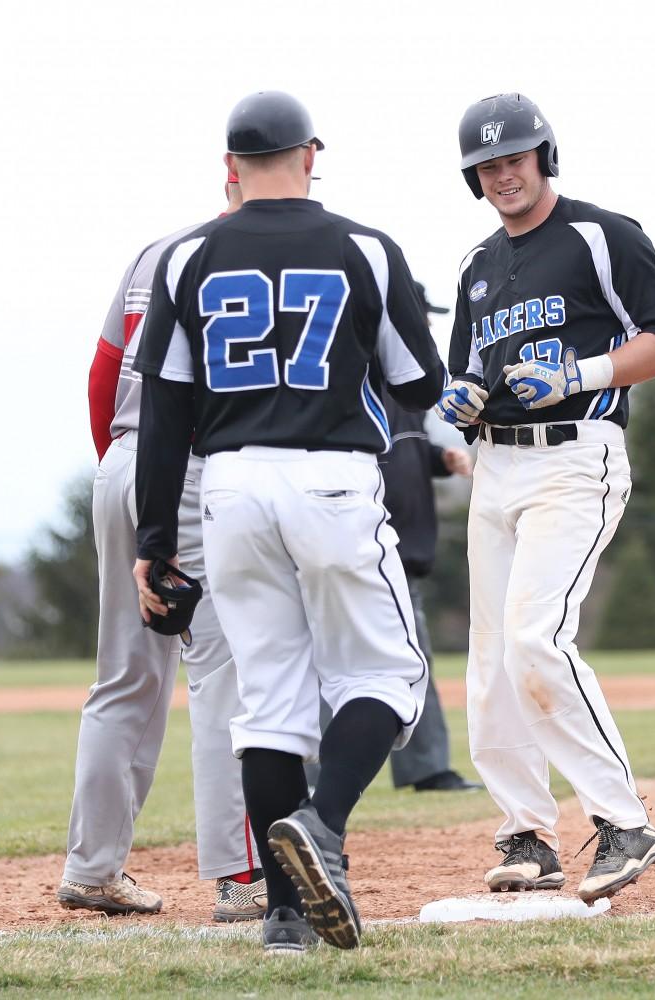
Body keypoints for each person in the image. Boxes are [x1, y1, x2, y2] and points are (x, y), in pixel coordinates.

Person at [131, 91, 445, 953]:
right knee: (390, 675)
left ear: (229, 166)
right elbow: (420, 383)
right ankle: (322, 822)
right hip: (332, 479)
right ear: (312, 153)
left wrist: (154, 542)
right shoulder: (366, 249)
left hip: (228, 485)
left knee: (267, 703)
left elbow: (162, 410)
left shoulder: (189, 253)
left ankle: (282, 916)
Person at [437, 92, 655, 902]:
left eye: (514, 156)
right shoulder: (475, 267)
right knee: (489, 662)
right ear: (472, 178)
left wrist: (580, 374)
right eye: (486, 164)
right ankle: (526, 835)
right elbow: (467, 373)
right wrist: (461, 402)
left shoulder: (599, 234)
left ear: (543, 155)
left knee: (534, 637)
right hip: (496, 468)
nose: (502, 173)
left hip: (574, 457)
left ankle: (623, 823)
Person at [58, 168, 266, 923]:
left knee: (124, 678)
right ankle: (242, 878)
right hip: (190, 468)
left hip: (122, 459)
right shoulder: (256, 256)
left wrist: (122, 475)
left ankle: (92, 868)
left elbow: (102, 375)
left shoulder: (156, 252)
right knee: (223, 669)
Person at [383, 282, 482, 793]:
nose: (426, 326)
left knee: (413, 658)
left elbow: (403, 454)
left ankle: (426, 767)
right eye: (420, 316)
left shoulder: (408, 388)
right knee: (328, 662)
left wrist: (438, 460)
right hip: (371, 545)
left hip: (404, 549)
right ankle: (305, 776)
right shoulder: (364, 376)